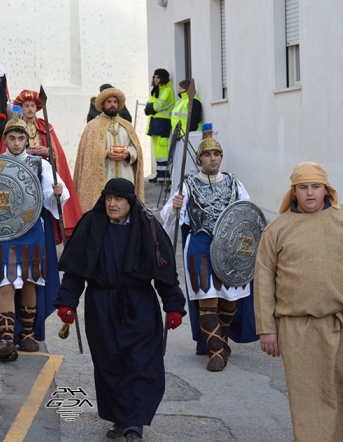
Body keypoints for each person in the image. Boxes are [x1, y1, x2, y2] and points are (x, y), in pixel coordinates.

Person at [254, 162, 343, 442]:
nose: (309, 193)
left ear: (326, 190)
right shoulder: (277, 229)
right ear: (294, 192)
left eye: (315, 187)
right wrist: (267, 328)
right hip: (298, 327)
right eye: (303, 187)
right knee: (309, 397)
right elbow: (264, 280)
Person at [55, 178, 186, 442]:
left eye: (119, 199)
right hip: (100, 305)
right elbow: (76, 269)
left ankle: (134, 423)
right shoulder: (91, 223)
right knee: (109, 364)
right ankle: (120, 417)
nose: (112, 204)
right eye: (108, 198)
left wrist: (173, 305)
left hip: (139, 305)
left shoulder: (147, 226)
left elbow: (163, 271)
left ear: (130, 202)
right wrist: (67, 301)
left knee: (141, 364)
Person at [161, 131, 258, 371]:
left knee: (228, 300)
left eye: (216, 154)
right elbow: (168, 219)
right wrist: (174, 208)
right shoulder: (188, 185)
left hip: (230, 250)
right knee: (206, 297)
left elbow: (249, 215)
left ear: (221, 157)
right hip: (200, 246)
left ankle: (222, 341)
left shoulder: (235, 183)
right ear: (199, 160)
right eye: (207, 155)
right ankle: (215, 350)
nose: (212, 158)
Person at [0, 107, 69, 361]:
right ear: (6, 140)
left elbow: (53, 199)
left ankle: (28, 335)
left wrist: (56, 191)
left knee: (31, 281)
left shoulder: (41, 165)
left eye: (21, 139)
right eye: (12, 138)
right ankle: (7, 338)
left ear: (27, 140)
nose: (17, 143)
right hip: (3, 233)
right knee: (6, 284)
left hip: (32, 231)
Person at [0, 89, 82, 242]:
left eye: (33, 106)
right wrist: (26, 152)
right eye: (26, 106)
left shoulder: (46, 126)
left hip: (42, 176)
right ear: (21, 108)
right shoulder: (13, 127)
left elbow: (58, 154)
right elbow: (7, 152)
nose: (30, 109)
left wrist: (49, 151)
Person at [73, 86, 145, 213]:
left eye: (115, 102)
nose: (112, 104)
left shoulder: (126, 125)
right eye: (109, 102)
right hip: (103, 174)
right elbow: (88, 153)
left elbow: (135, 149)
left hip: (125, 172)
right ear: (103, 104)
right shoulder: (92, 126)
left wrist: (128, 154)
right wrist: (106, 154)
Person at [168, 79, 203, 193]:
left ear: (186, 88)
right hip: (178, 136)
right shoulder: (180, 101)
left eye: (180, 87)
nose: (178, 89)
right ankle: (176, 186)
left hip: (189, 138)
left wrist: (186, 134)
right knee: (177, 165)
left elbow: (194, 119)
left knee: (188, 165)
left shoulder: (193, 101)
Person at [144, 69, 175, 184]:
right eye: (154, 77)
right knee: (157, 150)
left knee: (162, 149)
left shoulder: (167, 90)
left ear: (163, 78)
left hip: (163, 122)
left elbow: (158, 106)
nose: (155, 79)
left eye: (158, 77)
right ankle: (159, 174)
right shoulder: (156, 90)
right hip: (155, 122)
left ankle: (165, 175)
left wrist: (150, 107)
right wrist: (150, 107)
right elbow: (150, 105)